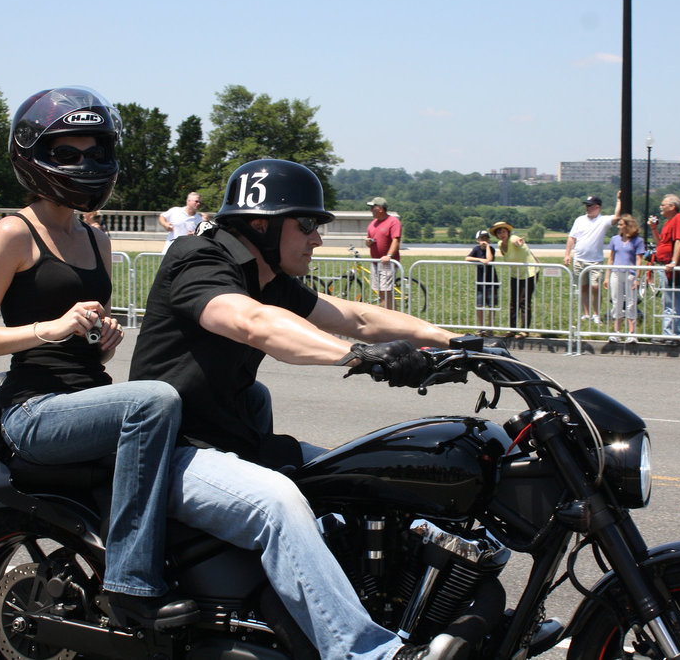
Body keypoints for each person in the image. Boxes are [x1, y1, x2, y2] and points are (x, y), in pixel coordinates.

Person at [130, 158, 466, 660]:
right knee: (279, 503)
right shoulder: (197, 259)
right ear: (260, 225)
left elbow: (357, 315)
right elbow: (251, 323)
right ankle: (365, 653)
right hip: (173, 452)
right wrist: (356, 357)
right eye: (307, 224)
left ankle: (416, 606)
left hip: (232, 444)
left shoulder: (268, 277)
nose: (317, 238)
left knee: (364, 473)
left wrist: (454, 341)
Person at [0, 86, 186, 631]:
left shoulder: (96, 236)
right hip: (33, 409)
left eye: (94, 152)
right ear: (34, 157)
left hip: (84, 397)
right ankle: (131, 585)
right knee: (154, 401)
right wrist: (51, 329)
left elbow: (83, 325)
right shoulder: (15, 233)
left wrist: (101, 333)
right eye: (68, 154)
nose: (85, 165)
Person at [563, 194, 622, 324]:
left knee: (595, 287)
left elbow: (617, 217)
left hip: (595, 260)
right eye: (586, 206)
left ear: (597, 207)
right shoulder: (579, 220)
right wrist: (567, 254)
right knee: (583, 287)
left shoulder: (603, 220)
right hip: (579, 259)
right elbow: (571, 238)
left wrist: (619, 200)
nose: (587, 208)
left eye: (590, 206)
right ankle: (587, 314)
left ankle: (596, 314)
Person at [648, 193, 680, 345]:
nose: (660, 207)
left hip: (669, 267)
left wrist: (673, 262)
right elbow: (661, 243)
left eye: (663, 205)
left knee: (670, 302)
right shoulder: (669, 222)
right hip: (664, 265)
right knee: (671, 301)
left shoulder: (679, 218)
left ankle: (671, 334)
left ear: (672, 207)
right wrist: (654, 228)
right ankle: (679, 334)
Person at [490, 221, 539, 339]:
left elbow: (518, 242)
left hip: (529, 272)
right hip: (515, 274)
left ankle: (524, 330)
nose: (502, 234)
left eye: (503, 231)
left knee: (524, 301)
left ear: (508, 232)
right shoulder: (501, 244)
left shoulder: (513, 238)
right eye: (499, 232)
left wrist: (519, 243)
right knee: (513, 302)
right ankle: (512, 329)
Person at [604, 214, 645, 343]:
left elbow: (639, 260)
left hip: (630, 273)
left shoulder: (637, 241)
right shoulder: (615, 239)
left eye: (621, 224)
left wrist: (637, 277)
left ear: (628, 226)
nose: (619, 227)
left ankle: (631, 333)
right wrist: (607, 276)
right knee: (617, 301)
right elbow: (611, 258)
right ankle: (617, 331)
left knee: (631, 302)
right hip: (616, 272)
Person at [366, 196, 401, 310]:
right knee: (382, 293)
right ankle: (394, 318)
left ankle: (387, 320)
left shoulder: (393, 222)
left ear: (381, 208)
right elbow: (370, 239)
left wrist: (389, 256)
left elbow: (396, 240)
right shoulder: (372, 224)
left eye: (372, 207)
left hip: (387, 263)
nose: (371, 210)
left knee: (386, 293)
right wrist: (368, 242)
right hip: (375, 263)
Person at [465, 230, 498, 332]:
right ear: (478, 240)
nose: (484, 240)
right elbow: (467, 258)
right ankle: (481, 326)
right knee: (480, 304)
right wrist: (479, 260)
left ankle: (490, 326)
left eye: (486, 238)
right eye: (482, 238)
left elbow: (489, 259)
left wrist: (487, 247)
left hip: (491, 281)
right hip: (480, 281)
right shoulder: (476, 249)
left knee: (491, 304)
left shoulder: (491, 248)